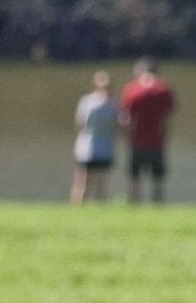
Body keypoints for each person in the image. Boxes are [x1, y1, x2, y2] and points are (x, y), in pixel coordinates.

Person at [120, 58, 176, 203]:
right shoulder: (164, 89)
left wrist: (127, 137)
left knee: (134, 176)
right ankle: (157, 203)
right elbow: (168, 118)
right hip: (157, 140)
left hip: (137, 139)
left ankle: (133, 202)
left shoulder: (131, 89)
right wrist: (166, 136)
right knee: (157, 178)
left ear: (139, 70)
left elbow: (126, 118)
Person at [70, 70, 119, 203]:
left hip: (96, 147)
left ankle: (81, 206)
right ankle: (81, 206)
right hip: (92, 148)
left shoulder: (90, 102)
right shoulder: (112, 104)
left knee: (91, 182)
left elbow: (79, 123)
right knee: (90, 181)